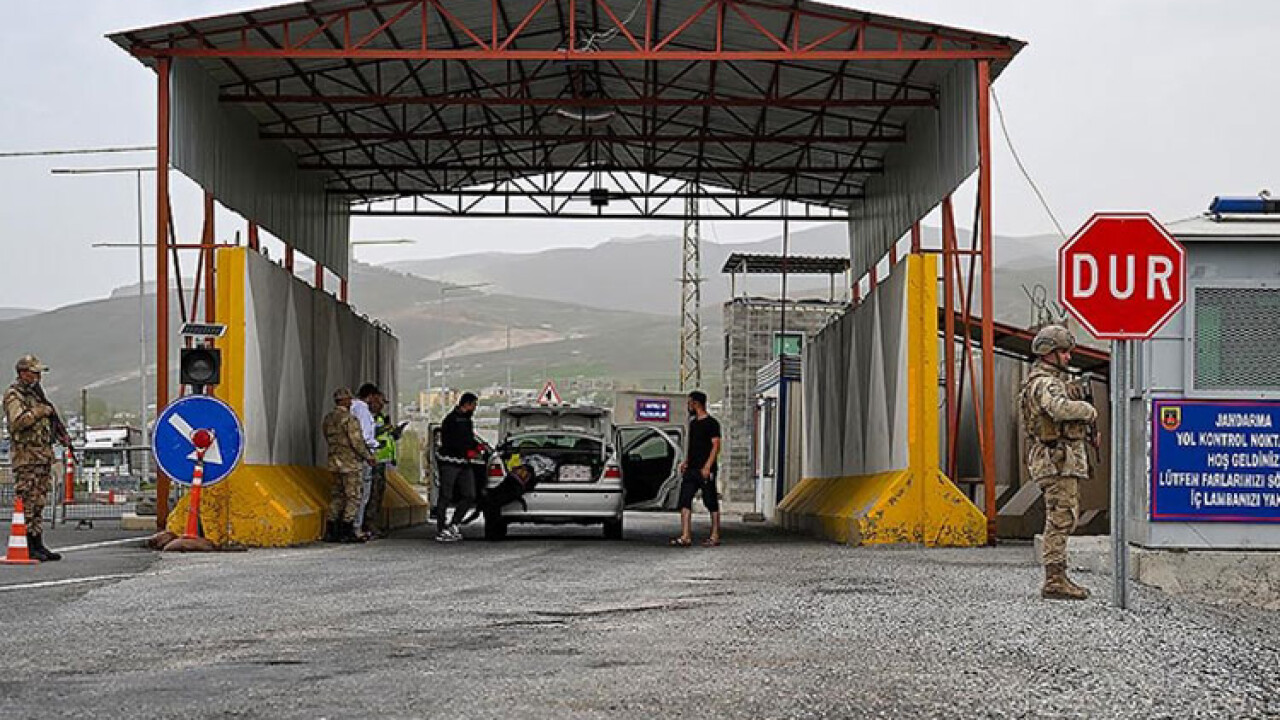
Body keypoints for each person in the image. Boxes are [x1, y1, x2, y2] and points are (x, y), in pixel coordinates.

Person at [1019, 325, 1099, 600]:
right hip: (1056, 460)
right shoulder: (1046, 383)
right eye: (1063, 352)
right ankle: (1054, 580)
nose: (1068, 357)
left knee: (1063, 516)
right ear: (1049, 353)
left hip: (1057, 459)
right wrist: (1088, 411)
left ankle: (1058, 576)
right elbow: (1058, 409)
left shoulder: (1044, 381)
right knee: (1060, 518)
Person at [3, 355, 71, 562]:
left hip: (41, 456)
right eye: (34, 373)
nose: (38, 377)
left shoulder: (36, 395)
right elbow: (17, 422)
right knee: (27, 500)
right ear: (23, 373)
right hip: (26, 458)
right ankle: (26, 543)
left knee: (39, 501)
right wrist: (40, 412)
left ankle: (37, 542)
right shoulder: (14, 395)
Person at [322, 387, 375, 543]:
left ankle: (331, 530)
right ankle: (347, 530)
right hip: (350, 463)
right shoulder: (349, 419)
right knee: (353, 496)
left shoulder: (328, 419)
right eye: (349, 399)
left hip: (334, 462)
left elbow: (327, 437)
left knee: (337, 496)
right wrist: (368, 456)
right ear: (344, 400)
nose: (351, 402)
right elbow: (357, 442)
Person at [672, 390, 722, 548]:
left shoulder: (712, 423)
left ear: (696, 403)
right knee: (685, 499)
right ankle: (685, 535)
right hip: (692, 469)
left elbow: (716, 446)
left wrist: (707, 466)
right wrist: (686, 462)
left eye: (690, 402)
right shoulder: (693, 424)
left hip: (706, 470)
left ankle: (715, 535)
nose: (688, 406)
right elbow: (693, 447)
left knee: (710, 501)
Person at [435, 392, 482, 543]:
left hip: (464, 463)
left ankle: (454, 523)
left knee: (470, 495)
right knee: (446, 496)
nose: (475, 408)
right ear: (467, 404)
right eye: (474, 405)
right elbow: (450, 441)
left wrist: (477, 447)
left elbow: (469, 438)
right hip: (450, 462)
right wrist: (467, 451)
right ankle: (441, 528)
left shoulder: (467, 420)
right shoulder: (450, 420)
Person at [364, 392, 405, 538]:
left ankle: (373, 522)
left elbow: (387, 437)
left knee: (378, 493)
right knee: (372, 494)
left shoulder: (381, 417)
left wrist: (395, 433)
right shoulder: (368, 417)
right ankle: (368, 524)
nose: (382, 406)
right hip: (373, 460)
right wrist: (382, 430)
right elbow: (367, 434)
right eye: (380, 402)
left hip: (381, 460)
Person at [350, 383, 381, 539]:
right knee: (363, 494)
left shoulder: (351, 408)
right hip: (363, 456)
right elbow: (365, 435)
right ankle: (357, 528)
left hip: (350, 458)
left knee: (352, 493)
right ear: (371, 396)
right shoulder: (362, 410)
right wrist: (375, 446)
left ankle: (350, 527)